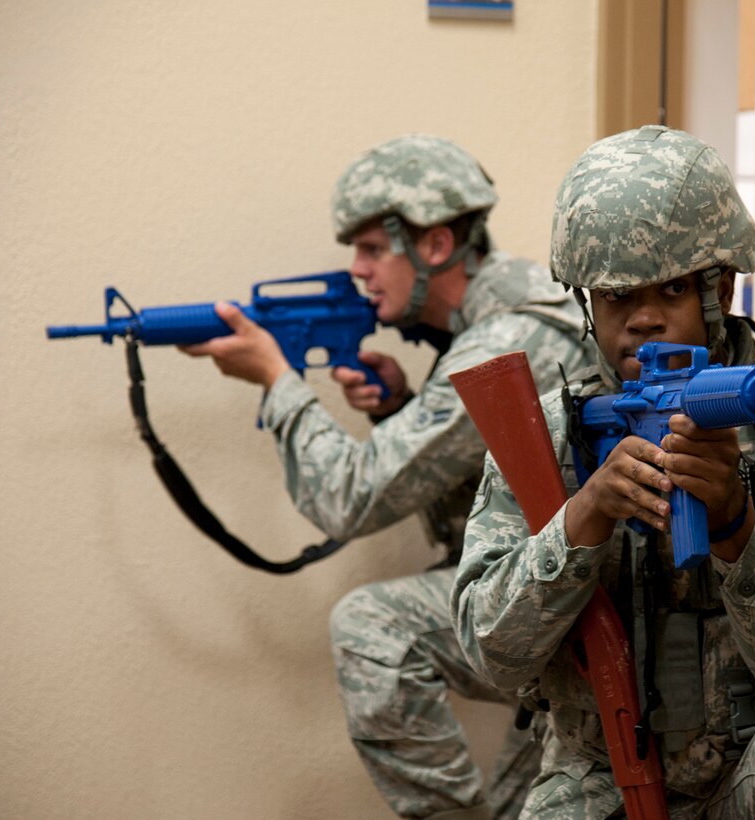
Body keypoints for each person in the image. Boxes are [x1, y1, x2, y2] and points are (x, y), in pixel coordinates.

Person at [452, 125, 755, 818]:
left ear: (721, 289)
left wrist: (737, 525)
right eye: (616, 297)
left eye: (670, 289)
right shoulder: (547, 438)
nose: (643, 321)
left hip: (751, 778)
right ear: (587, 306)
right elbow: (486, 656)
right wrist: (582, 517)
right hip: (600, 780)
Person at [180, 134, 592, 820]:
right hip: (561, 605)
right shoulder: (504, 322)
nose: (357, 270)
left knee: (375, 627)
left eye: (373, 249)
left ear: (434, 246)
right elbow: (515, 481)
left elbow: (346, 498)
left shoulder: (501, 341)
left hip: (583, 616)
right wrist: (404, 409)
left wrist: (276, 381)